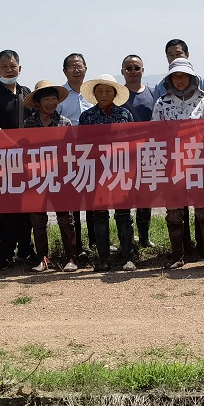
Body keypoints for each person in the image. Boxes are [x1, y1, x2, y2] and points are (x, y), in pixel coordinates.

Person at [153, 40, 204, 258]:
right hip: (172, 164)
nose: (180, 80)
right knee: (174, 212)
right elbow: (155, 134)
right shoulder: (162, 103)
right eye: (175, 76)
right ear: (169, 79)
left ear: (192, 77)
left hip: (199, 162)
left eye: (184, 76)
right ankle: (178, 256)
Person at [0, 50, 37, 271]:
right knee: (7, 208)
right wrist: (15, 146)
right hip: (3, 159)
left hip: (27, 160)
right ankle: (6, 253)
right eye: (4, 67)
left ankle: (26, 250)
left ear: (19, 68)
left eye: (13, 66)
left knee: (27, 207)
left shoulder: (27, 93)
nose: (9, 70)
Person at [79, 74, 136, 271]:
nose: (104, 95)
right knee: (100, 216)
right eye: (100, 91)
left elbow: (132, 144)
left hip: (120, 170)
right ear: (94, 94)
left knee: (124, 214)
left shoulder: (125, 115)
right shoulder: (86, 117)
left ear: (115, 93)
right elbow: (82, 146)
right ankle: (103, 258)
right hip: (97, 172)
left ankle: (128, 257)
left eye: (108, 91)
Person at [23, 80, 78, 272]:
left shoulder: (64, 123)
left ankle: (71, 258)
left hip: (60, 177)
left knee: (66, 220)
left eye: (54, 98)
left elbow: (72, 151)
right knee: (38, 221)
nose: (51, 103)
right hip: (37, 178)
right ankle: (42, 259)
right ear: (38, 102)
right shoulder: (29, 124)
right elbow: (24, 152)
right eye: (46, 99)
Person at [56, 53, 96, 260]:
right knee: (74, 203)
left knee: (93, 201)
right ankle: (76, 246)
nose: (76, 69)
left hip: (93, 154)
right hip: (69, 156)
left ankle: (96, 244)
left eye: (79, 66)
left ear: (86, 69)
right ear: (65, 71)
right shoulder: (60, 96)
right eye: (71, 66)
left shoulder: (94, 94)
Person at [121, 54, 157, 248]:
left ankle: (144, 238)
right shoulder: (118, 96)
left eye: (136, 68)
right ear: (122, 72)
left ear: (143, 70)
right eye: (129, 68)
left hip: (148, 152)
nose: (133, 71)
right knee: (124, 197)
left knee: (145, 197)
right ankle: (126, 239)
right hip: (124, 155)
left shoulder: (153, 93)